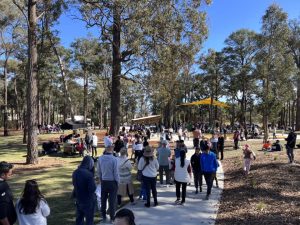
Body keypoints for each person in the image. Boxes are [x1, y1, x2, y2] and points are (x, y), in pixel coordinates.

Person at [97, 145, 119, 222]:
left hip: (104, 181)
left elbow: (98, 171)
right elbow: (116, 173)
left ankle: (103, 216)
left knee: (103, 199)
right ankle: (112, 217)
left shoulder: (100, 158)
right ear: (112, 150)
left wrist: (100, 179)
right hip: (112, 181)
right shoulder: (114, 159)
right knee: (112, 200)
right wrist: (117, 181)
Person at [72, 156, 96, 225]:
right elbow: (92, 189)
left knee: (79, 219)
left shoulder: (75, 172)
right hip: (88, 200)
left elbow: (74, 184)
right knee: (89, 220)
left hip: (79, 199)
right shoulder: (89, 174)